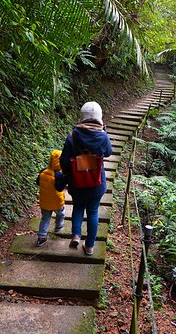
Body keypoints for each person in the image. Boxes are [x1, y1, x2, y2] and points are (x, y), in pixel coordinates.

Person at [59, 101, 112, 256]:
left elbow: (63, 161)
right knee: (93, 211)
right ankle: (89, 246)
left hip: (77, 182)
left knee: (78, 207)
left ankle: (76, 235)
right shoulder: (102, 136)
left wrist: (70, 173)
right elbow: (108, 152)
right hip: (96, 183)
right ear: (99, 117)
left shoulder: (73, 136)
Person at [35, 149, 67, 247]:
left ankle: (41, 237)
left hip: (44, 202)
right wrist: (65, 178)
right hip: (57, 202)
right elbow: (60, 187)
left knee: (45, 218)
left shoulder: (43, 171)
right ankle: (58, 226)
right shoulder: (59, 175)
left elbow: (38, 182)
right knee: (61, 214)